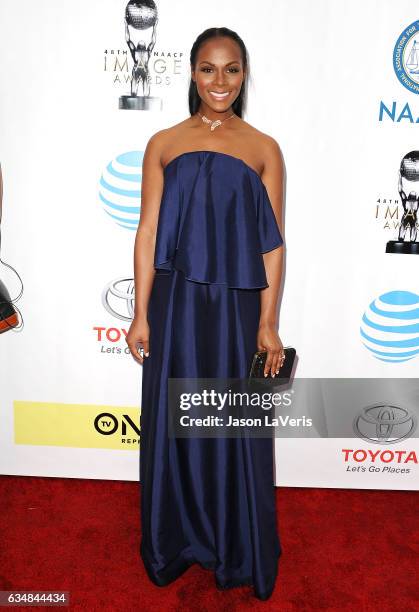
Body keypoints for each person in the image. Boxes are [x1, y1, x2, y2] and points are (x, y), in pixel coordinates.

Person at [126, 26, 285, 601]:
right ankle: (178, 538)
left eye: (232, 69)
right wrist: (141, 312)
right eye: (209, 68)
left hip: (238, 307)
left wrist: (267, 324)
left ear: (245, 76)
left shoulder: (265, 148)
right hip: (175, 304)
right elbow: (147, 232)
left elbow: (273, 244)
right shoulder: (164, 142)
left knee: (230, 423)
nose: (220, 81)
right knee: (175, 420)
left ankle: (234, 542)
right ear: (192, 73)